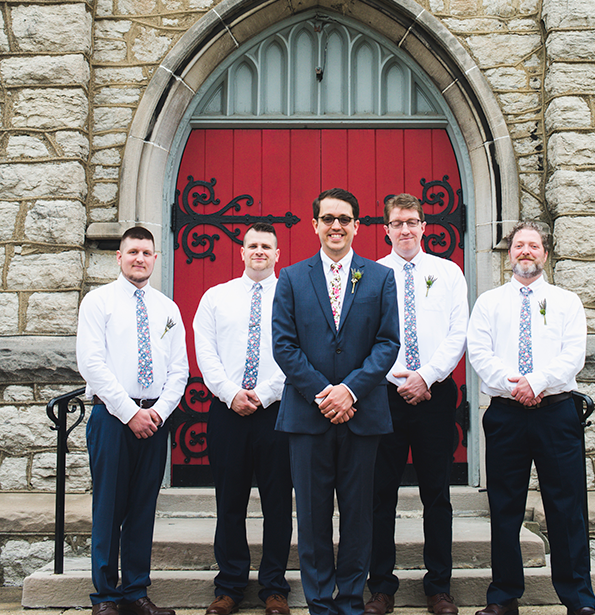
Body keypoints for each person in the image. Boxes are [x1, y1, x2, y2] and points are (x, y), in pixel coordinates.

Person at [272, 188, 400, 615]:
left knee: (359, 516)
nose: (336, 226)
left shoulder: (380, 278)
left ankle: (350, 601)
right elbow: (284, 347)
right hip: (308, 417)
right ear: (314, 225)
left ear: (358, 226)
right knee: (311, 518)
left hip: (362, 415)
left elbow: (387, 343)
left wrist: (351, 390)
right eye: (328, 218)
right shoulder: (291, 278)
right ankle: (320, 603)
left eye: (344, 219)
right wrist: (324, 393)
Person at [466, 221, 595, 615]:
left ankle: (578, 599)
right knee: (505, 507)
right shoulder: (489, 303)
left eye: (533, 245)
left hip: (556, 413)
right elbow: (479, 352)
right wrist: (515, 386)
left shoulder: (566, 301)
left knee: (565, 506)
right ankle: (504, 596)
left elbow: (573, 355)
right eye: (519, 245)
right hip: (506, 415)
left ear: (544, 253)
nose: (526, 251)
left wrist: (536, 382)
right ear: (510, 254)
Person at [76, 226, 189, 615]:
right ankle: (105, 596)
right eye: (132, 252)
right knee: (109, 507)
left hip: (155, 419)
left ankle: (136, 591)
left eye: (146, 253)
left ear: (156, 259)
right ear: (119, 257)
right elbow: (92, 363)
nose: (140, 258)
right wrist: (129, 413)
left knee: (143, 507)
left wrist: (157, 412)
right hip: (112, 417)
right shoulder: (98, 301)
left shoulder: (167, 309)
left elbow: (179, 369)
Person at [366, 193, 468, 615]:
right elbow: (365, 336)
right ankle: (381, 587)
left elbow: (457, 332)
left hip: (434, 394)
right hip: (384, 396)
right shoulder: (371, 275)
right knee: (379, 494)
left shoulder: (448, 272)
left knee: (436, 494)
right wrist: (395, 378)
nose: (404, 230)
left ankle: (438, 587)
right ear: (386, 229)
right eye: (397, 223)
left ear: (424, 226)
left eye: (412, 222)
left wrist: (425, 376)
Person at [193, 223, 293, 615]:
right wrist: (231, 393)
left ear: (277, 253)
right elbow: (206, 351)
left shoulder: (292, 296)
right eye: (252, 245)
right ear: (241, 251)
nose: (259, 251)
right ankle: (230, 586)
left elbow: (296, 352)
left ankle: (274, 587)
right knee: (229, 502)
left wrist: (266, 393)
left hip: (278, 412)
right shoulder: (215, 298)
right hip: (227, 411)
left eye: (266, 246)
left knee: (277, 504)